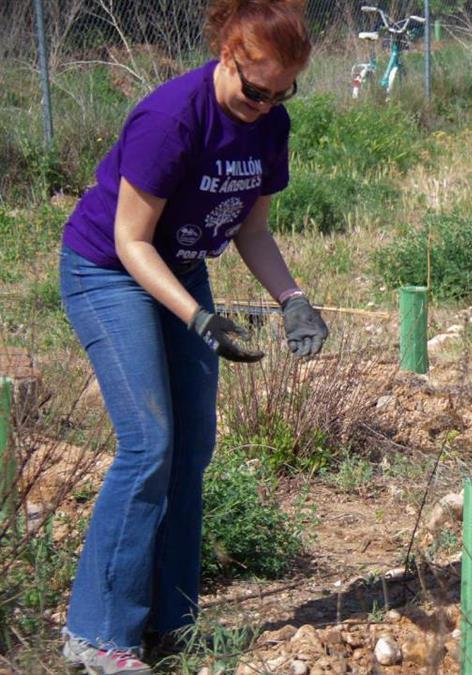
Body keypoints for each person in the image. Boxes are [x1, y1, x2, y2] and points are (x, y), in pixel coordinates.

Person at [57, 0, 327, 671]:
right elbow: (129, 239)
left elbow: (252, 230)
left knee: (192, 448)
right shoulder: (171, 117)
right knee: (149, 442)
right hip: (108, 270)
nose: (263, 104)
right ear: (227, 53)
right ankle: (97, 633)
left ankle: (171, 621)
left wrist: (293, 300)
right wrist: (199, 318)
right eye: (254, 88)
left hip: (176, 267)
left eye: (281, 92)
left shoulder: (270, 127)